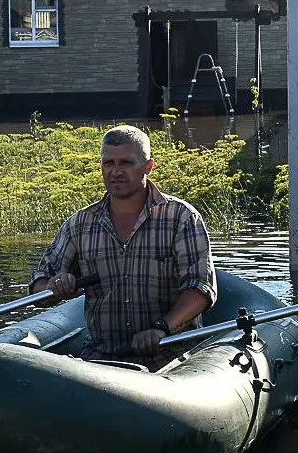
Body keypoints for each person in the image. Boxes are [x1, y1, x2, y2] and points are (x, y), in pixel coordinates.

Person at [30, 125, 215, 367]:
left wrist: (161, 328)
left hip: (170, 356)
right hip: (101, 358)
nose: (115, 172)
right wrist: (53, 285)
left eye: (126, 163)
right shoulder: (80, 224)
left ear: (148, 166)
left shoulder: (181, 217)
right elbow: (39, 285)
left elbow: (201, 288)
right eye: (108, 163)